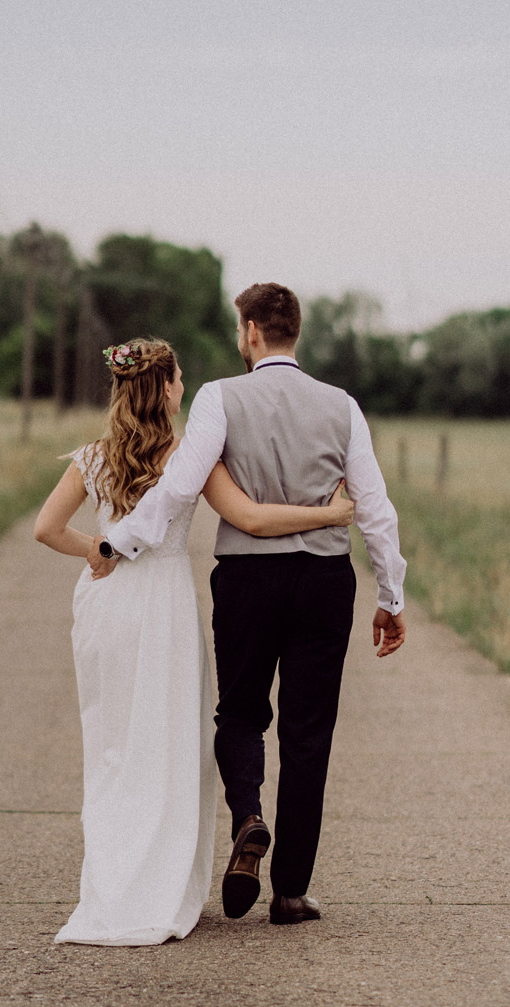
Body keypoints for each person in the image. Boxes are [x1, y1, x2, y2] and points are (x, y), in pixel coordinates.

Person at [95, 283, 407, 927]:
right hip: (324, 579)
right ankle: (291, 892)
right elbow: (374, 506)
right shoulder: (342, 405)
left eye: (241, 330)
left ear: (253, 333)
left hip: (247, 581)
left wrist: (120, 539)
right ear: (294, 331)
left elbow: (181, 485)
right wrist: (391, 593)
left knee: (239, 713)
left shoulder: (220, 397)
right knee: (308, 733)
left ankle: (248, 818)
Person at [33, 336, 355, 946]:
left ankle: (112, 887)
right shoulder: (189, 458)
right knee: (171, 743)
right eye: (179, 377)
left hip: (106, 606)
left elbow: (47, 529)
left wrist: (99, 555)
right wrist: (329, 516)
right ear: (168, 390)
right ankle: (160, 886)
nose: (184, 385)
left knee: (112, 746)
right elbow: (255, 519)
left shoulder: (93, 459)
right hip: (165, 609)